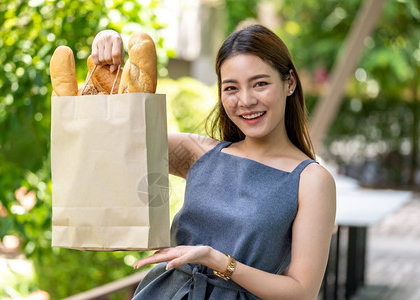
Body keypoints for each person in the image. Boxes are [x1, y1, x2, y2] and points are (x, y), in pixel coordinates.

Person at [91, 24, 336, 299]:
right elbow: (114, 144)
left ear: (289, 82)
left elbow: (302, 292)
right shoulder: (199, 152)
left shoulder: (311, 180)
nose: (245, 100)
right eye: (231, 87)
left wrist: (217, 260)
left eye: (260, 84)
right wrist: (108, 45)